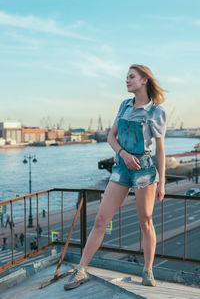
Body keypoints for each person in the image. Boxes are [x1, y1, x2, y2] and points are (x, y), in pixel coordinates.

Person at [64, 64, 166, 290]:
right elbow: (111, 137)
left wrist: (162, 183)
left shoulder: (157, 112)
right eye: (126, 77)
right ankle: (81, 270)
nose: (127, 80)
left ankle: (148, 270)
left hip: (145, 170)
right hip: (121, 167)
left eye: (131, 77)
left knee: (145, 221)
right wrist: (123, 154)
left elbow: (160, 150)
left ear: (144, 80)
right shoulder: (124, 105)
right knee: (101, 219)